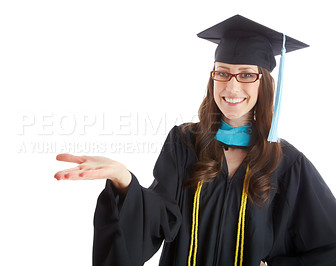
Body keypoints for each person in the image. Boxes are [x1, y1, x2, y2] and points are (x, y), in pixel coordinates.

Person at [54, 15, 336, 265]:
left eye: (247, 75)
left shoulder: (286, 163)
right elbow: (160, 216)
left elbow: (328, 245)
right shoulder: (184, 143)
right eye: (222, 72)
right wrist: (124, 180)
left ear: (264, 83)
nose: (232, 85)